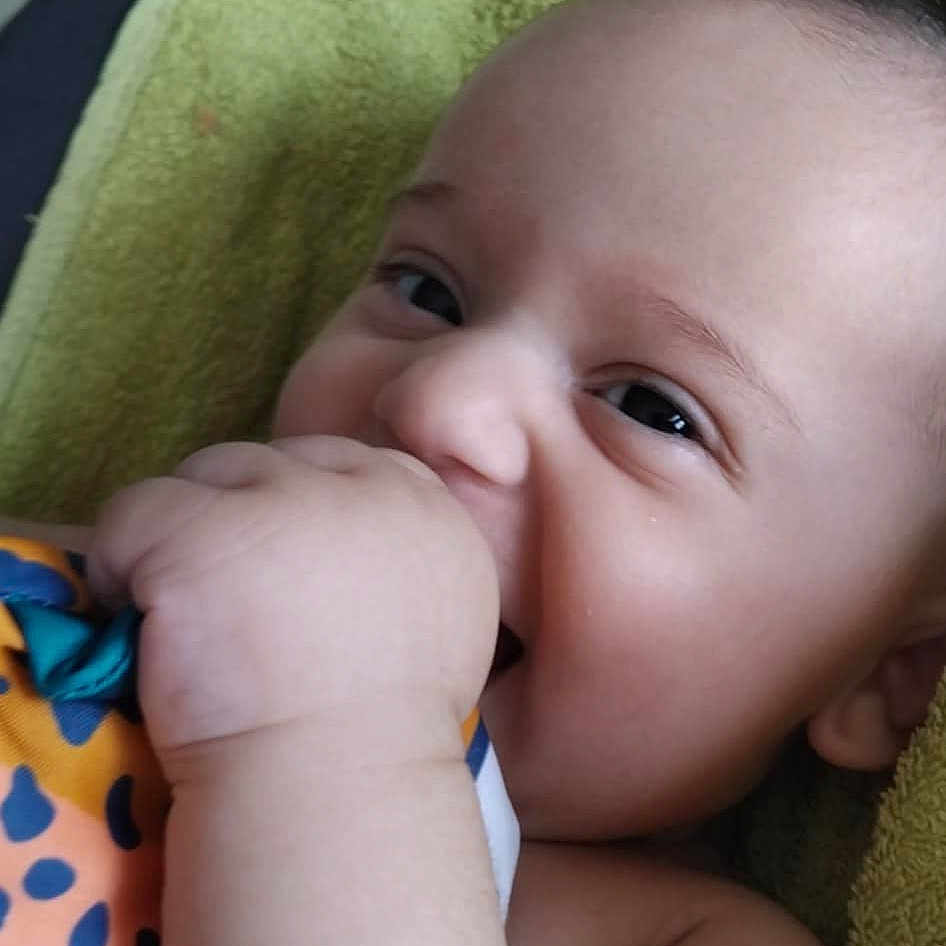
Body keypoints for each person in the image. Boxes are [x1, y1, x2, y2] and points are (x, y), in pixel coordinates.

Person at [7, 0, 946, 942]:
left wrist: (338, 732)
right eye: (429, 291)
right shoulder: (113, 575)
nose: (436, 398)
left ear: (887, 678)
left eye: (650, 408)